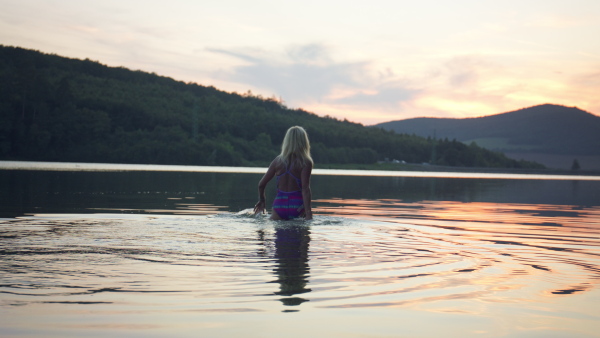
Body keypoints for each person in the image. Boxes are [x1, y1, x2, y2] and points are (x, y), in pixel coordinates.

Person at [254, 126, 313, 220]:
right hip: (297, 206)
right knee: (298, 233)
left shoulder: (277, 161)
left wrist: (262, 200)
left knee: (280, 233)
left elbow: (261, 184)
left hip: (279, 206)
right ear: (304, 142)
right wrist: (309, 213)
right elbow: (305, 189)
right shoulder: (305, 162)